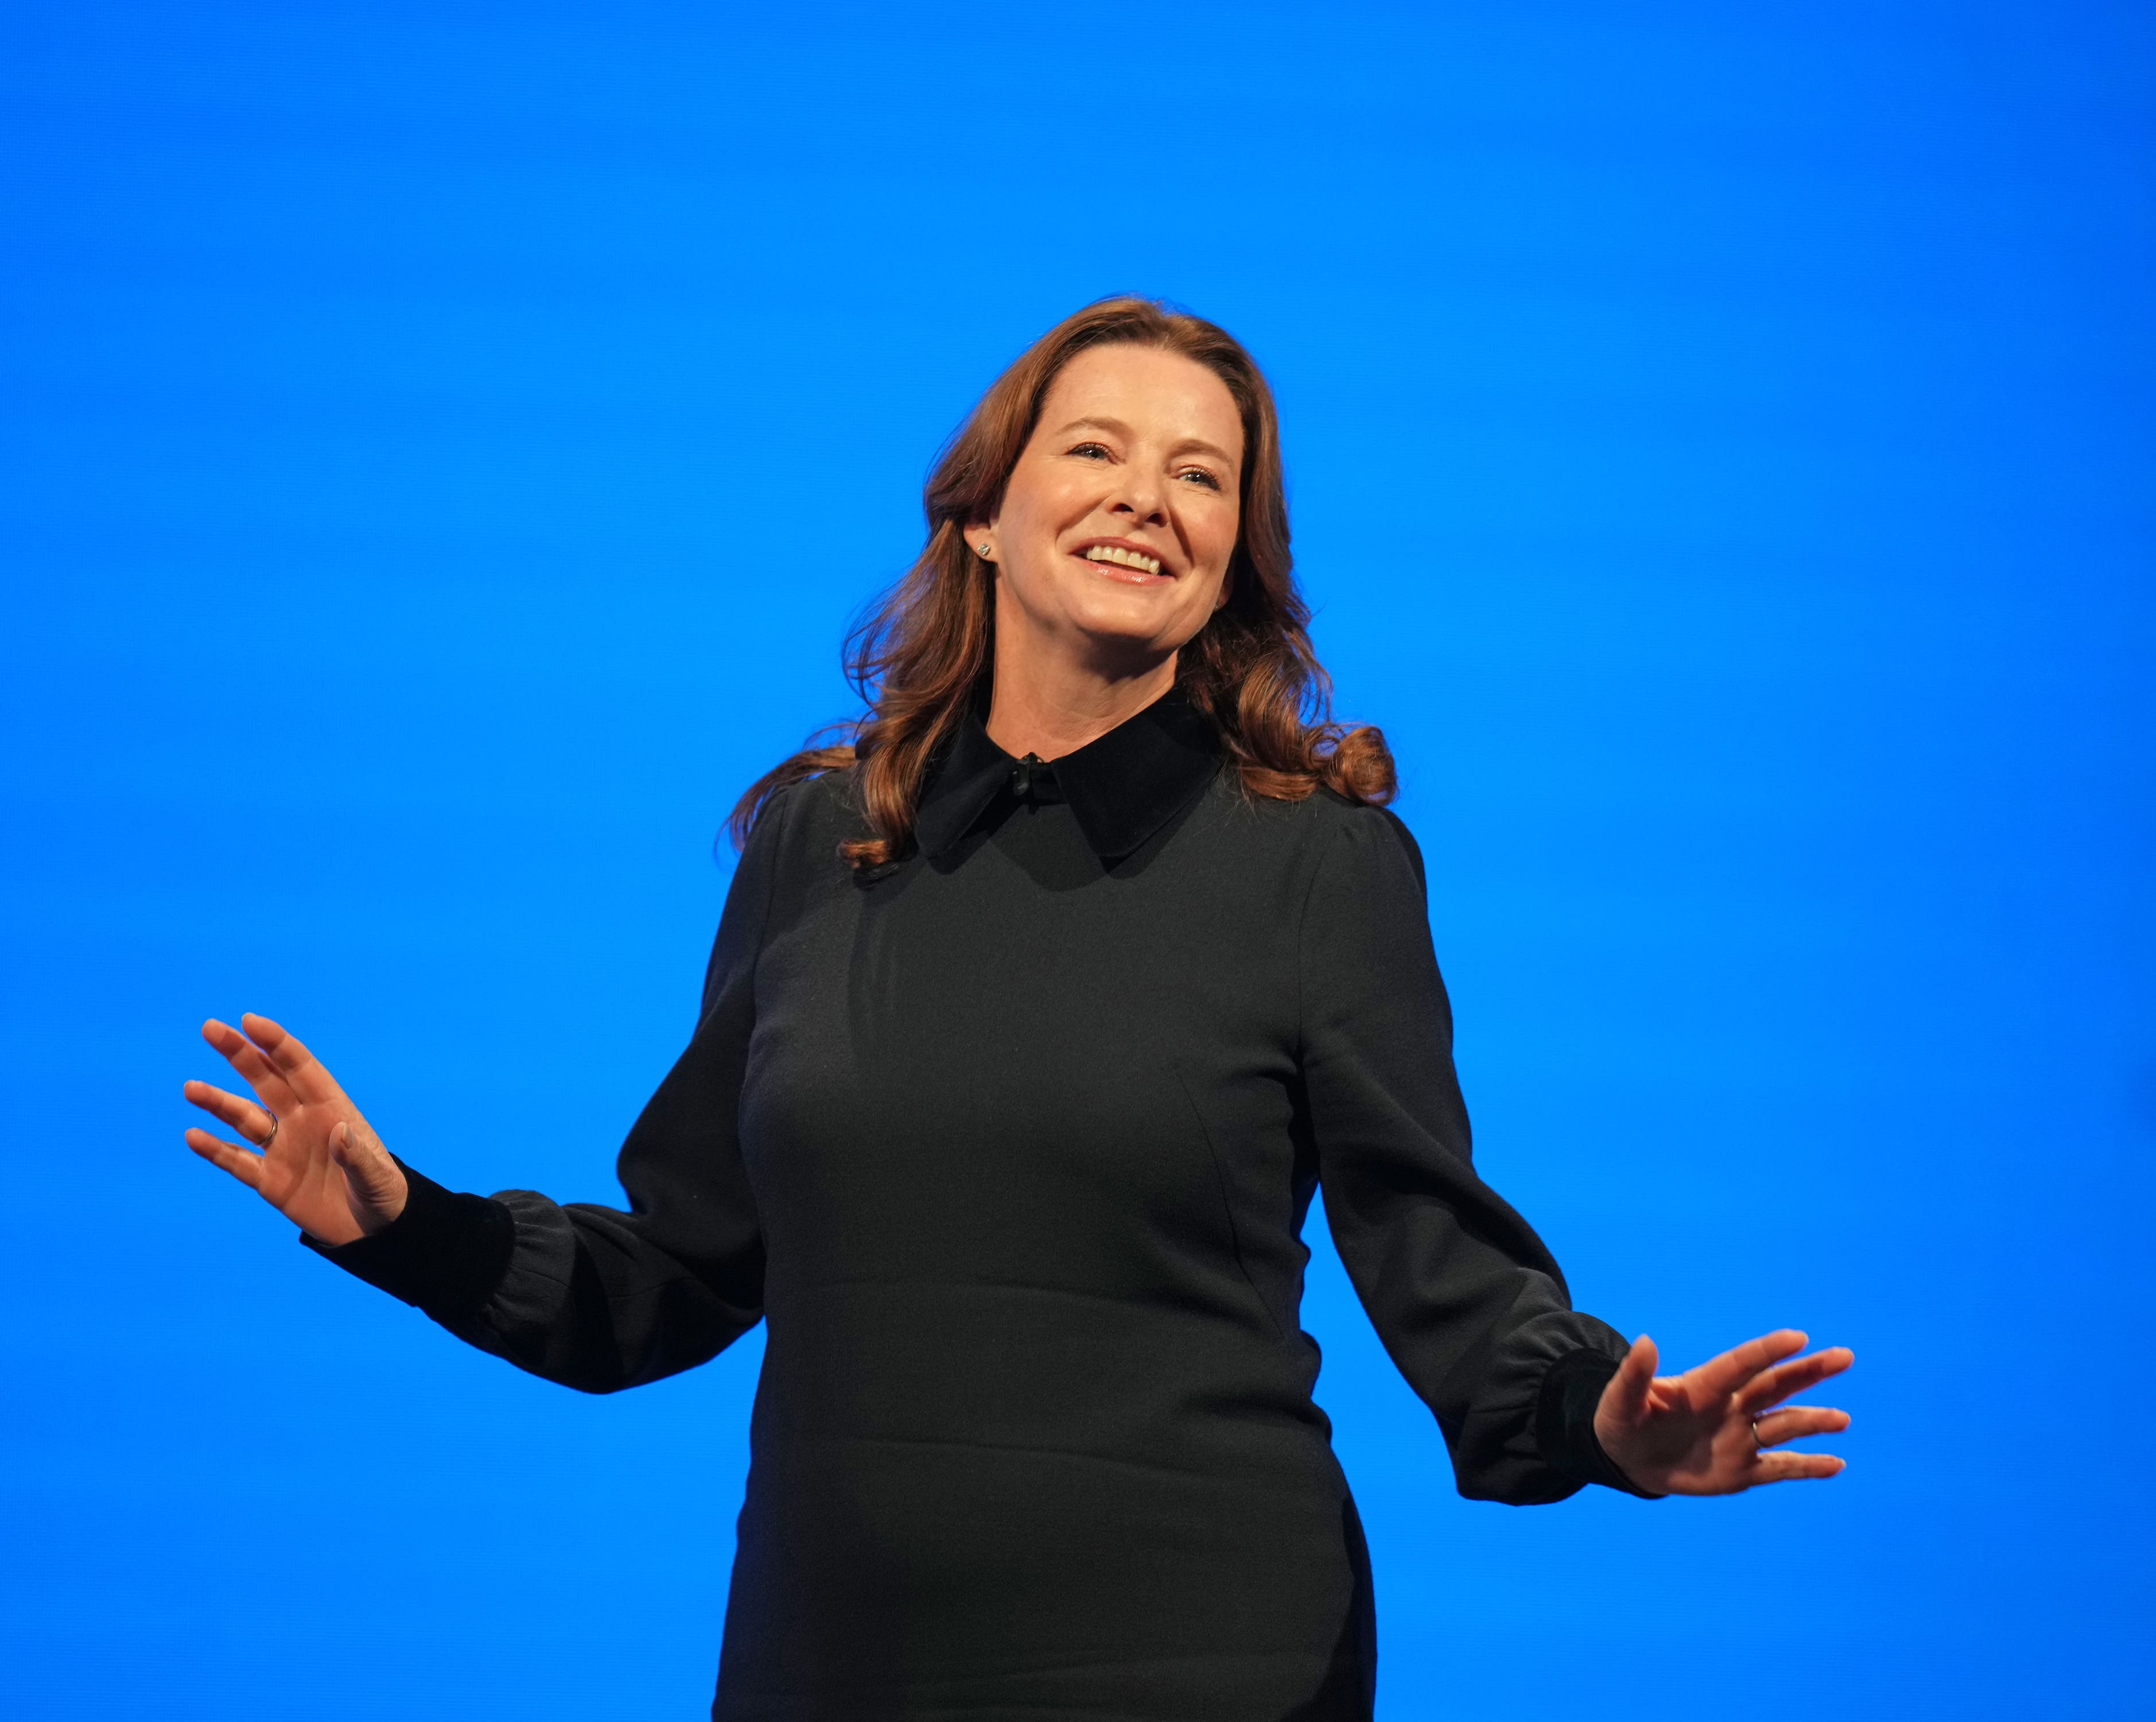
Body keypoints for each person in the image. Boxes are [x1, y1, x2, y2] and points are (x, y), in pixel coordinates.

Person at [181, 297, 1852, 1721]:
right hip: (830, 1667)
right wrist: (400, 1221)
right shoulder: (813, 843)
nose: (1149, 498)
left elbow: (1452, 1279)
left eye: (1203, 475)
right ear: (982, 512)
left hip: (1207, 1665)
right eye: (1098, 449)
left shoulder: (1318, 867)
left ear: (1232, 570)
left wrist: (1603, 1419)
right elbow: (677, 1275)